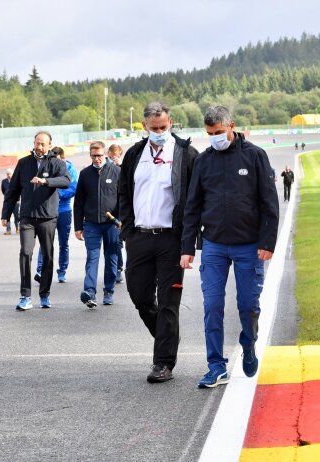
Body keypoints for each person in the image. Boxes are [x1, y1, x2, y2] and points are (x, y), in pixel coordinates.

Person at [180, 105, 278, 389]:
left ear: (231, 126)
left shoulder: (256, 156)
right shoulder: (204, 161)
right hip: (214, 246)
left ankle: (249, 342)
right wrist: (187, 247)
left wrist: (267, 242)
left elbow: (269, 203)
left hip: (250, 247)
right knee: (212, 305)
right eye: (210, 133)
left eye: (220, 132)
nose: (215, 137)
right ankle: (216, 366)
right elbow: (192, 206)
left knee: (248, 305)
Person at [119, 101, 198, 383]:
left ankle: (163, 361)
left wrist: (189, 242)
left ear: (171, 122)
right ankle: (168, 336)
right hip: (139, 237)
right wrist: (127, 231)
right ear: (144, 127)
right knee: (140, 298)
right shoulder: (134, 154)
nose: (160, 131)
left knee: (168, 303)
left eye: (164, 127)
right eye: (154, 128)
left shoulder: (185, 153)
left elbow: (194, 200)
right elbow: (124, 194)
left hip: (171, 240)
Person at [1, 131, 71, 310]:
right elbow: (13, 190)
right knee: (25, 252)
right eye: (37, 143)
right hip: (27, 217)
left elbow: (65, 181)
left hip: (48, 217)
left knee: (47, 256)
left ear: (49, 146)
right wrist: (5, 214)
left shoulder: (56, 163)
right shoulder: (24, 163)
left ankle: (45, 294)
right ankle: (25, 296)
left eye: (43, 144)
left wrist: (46, 181)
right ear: (33, 143)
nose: (39, 147)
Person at [74, 141, 121, 308]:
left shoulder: (116, 172)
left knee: (111, 258)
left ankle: (109, 291)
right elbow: (79, 201)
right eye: (94, 156)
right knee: (92, 257)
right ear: (90, 156)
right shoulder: (85, 174)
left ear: (105, 154)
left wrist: (122, 220)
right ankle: (90, 292)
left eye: (100, 155)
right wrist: (78, 226)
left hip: (112, 224)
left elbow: (124, 198)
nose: (97, 159)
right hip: (92, 224)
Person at [34, 146, 78, 283]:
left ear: (63, 158)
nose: (55, 163)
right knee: (45, 242)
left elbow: (73, 188)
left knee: (63, 243)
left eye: (58, 160)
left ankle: (62, 271)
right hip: (47, 210)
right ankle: (40, 270)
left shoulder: (70, 169)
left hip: (64, 210)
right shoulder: (47, 166)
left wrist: (56, 194)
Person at [106, 144, 125, 283]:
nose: (116, 158)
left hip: (121, 211)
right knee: (112, 243)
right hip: (109, 211)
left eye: (119, 155)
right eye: (114, 155)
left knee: (118, 242)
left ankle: (119, 268)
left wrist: (121, 166)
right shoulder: (105, 167)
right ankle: (114, 268)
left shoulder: (122, 168)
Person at [1, 168, 20, 235]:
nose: (8, 175)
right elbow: (3, 191)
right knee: (7, 216)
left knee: (17, 216)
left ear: (12, 174)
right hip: (7, 202)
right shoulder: (4, 181)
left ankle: (18, 228)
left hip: (16, 202)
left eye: (9, 173)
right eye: (7, 174)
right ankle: (8, 230)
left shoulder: (16, 181)